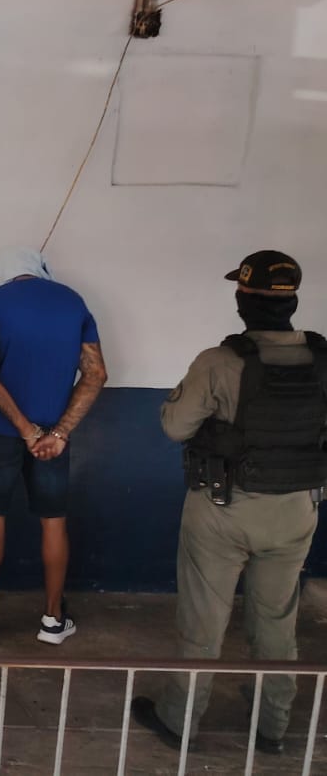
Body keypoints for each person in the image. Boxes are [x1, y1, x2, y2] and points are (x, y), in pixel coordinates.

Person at [132, 251, 324, 756]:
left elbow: (175, 427)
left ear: (243, 300)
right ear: (292, 301)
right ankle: (273, 725)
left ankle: (180, 721)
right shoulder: (323, 361)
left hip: (223, 509)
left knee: (203, 622)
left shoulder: (219, 362)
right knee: (277, 621)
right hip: (296, 510)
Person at [0, 247, 107, 646]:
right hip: (54, 439)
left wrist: (26, 431)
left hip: (1, 432)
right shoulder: (73, 302)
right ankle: (53, 619)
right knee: (54, 520)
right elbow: (96, 373)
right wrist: (58, 433)